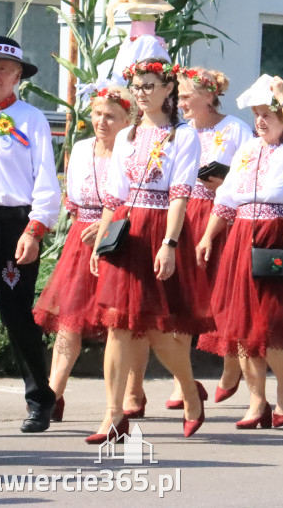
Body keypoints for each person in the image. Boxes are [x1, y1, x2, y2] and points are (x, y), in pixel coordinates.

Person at [87, 57, 210, 442]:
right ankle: (113, 415)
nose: (142, 94)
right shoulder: (126, 135)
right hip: (127, 231)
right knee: (118, 328)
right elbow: (113, 196)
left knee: (156, 330)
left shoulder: (183, 135)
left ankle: (190, 390)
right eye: (137, 87)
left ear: (169, 88)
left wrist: (170, 244)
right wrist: (101, 242)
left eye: (150, 86)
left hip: (160, 229)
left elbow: (179, 196)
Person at [196, 76, 283, 429]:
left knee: (272, 323)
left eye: (269, 113)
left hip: (281, 239)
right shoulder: (248, 149)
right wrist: (207, 237)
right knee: (242, 325)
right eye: (257, 114)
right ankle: (256, 400)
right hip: (243, 238)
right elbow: (227, 198)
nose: (261, 120)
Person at [0, 35, 61, 433]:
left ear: (17, 74)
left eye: (1, 68)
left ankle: (40, 401)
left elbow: (46, 184)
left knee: (17, 317)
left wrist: (34, 231)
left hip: (13, 228)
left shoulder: (32, 119)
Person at [148, 67, 252, 410]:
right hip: (185, 217)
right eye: (178, 96)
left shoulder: (236, 129)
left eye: (187, 96)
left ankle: (231, 365)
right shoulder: (178, 132)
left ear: (210, 96)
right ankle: (183, 381)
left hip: (224, 219)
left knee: (222, 296)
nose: (181, 103)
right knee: (183, 299)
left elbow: (249, 177)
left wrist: (224, 184)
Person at [33, 87, 134, 423]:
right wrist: (83, 233)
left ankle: (131, 395)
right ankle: (52, 394)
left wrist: (107, 229)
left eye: (111, 116)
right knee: (69, 320)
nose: (102, 122)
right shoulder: (79, 149)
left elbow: (135, 201)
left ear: (127, 120)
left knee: (121, 323)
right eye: (97, 114)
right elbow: (73, 201)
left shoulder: (132, 150)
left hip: (121, 239)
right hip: (82, 238)